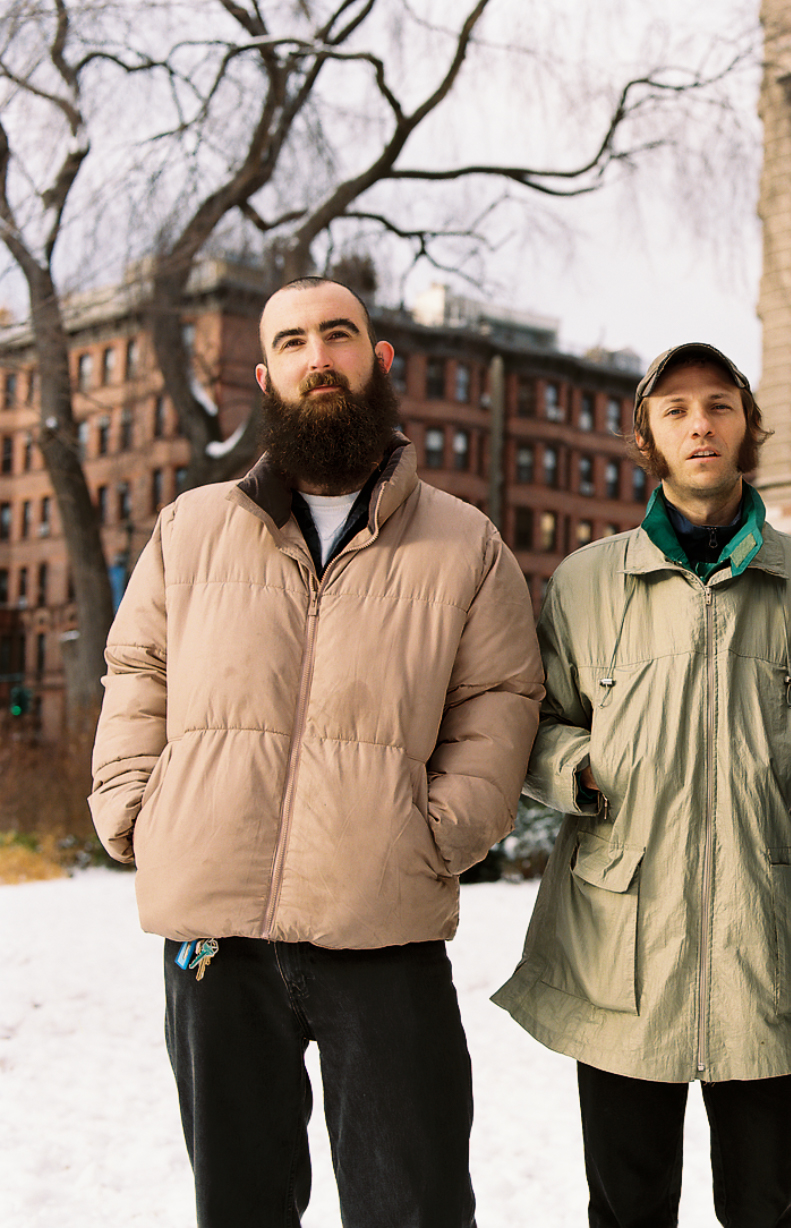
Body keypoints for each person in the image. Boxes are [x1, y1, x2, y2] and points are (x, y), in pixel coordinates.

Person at [89, 276, 544, 1228]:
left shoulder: (466, 543)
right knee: (240, 1205)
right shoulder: (191, 528)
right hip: (216, 926)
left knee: (414, 1204)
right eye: (292, 342)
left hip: (382, 917)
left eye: (338, 335)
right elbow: (137, 670)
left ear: (378, 360)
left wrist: (433, 835)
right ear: (266, 376)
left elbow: (499, 700)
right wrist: (135, 809)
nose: (317, 357)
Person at [492, 342, 791, 1228]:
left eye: (718, 405)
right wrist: (583, 769)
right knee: (627, 1207)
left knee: (765, 1207)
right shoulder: (587, 581)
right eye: (676, 410)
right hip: (620, 945)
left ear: (747, 426)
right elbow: (530, 721)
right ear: (647, 438)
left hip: (769, 939)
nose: (700, 424)